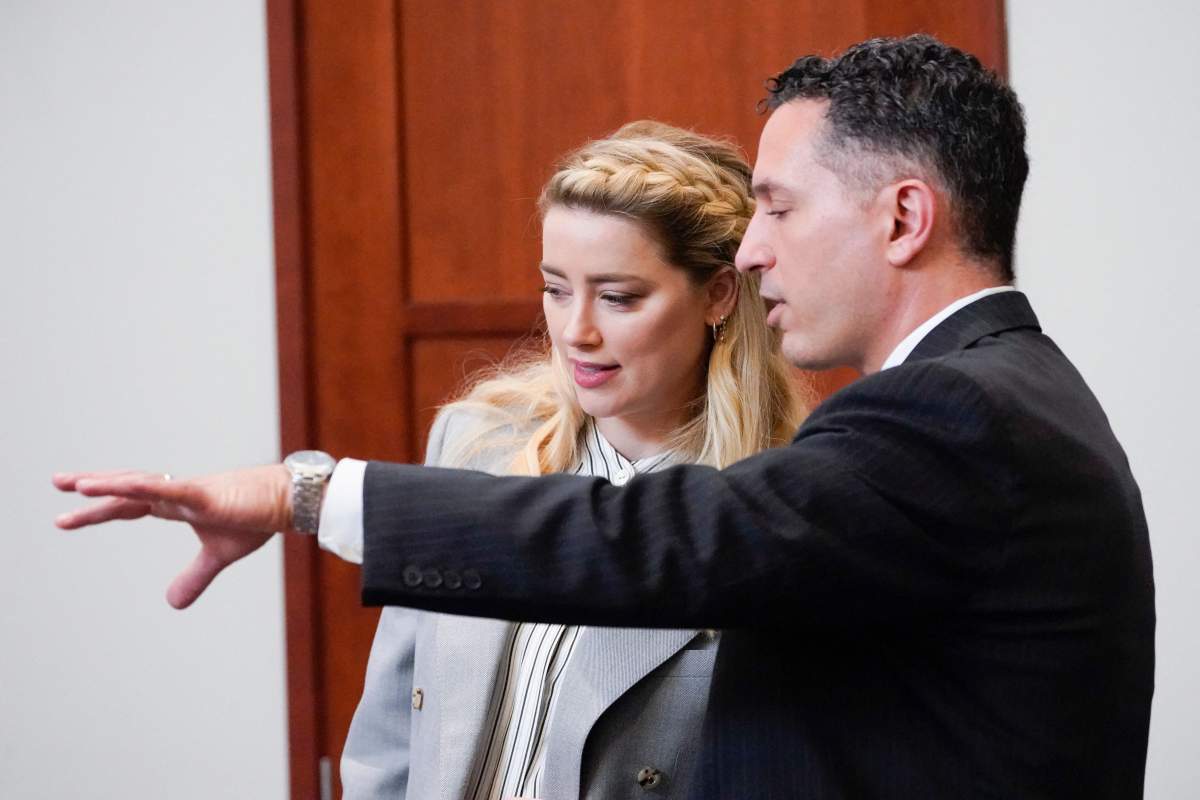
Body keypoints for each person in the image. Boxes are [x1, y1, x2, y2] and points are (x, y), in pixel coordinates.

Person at [55, 35, 1154, 799]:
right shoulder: (1004, 392)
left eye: (777, 207)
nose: (757, 245)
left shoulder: (946, 414)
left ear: (904, 215)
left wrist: (304, 488)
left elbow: (658, 538)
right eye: (555, 285)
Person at [339, 121, 803, 799]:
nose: (576, 332)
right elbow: (386, 733)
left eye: (618, 297)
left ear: (718, 295)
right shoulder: (475, 442)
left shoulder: (775, 509)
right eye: (556, 289)